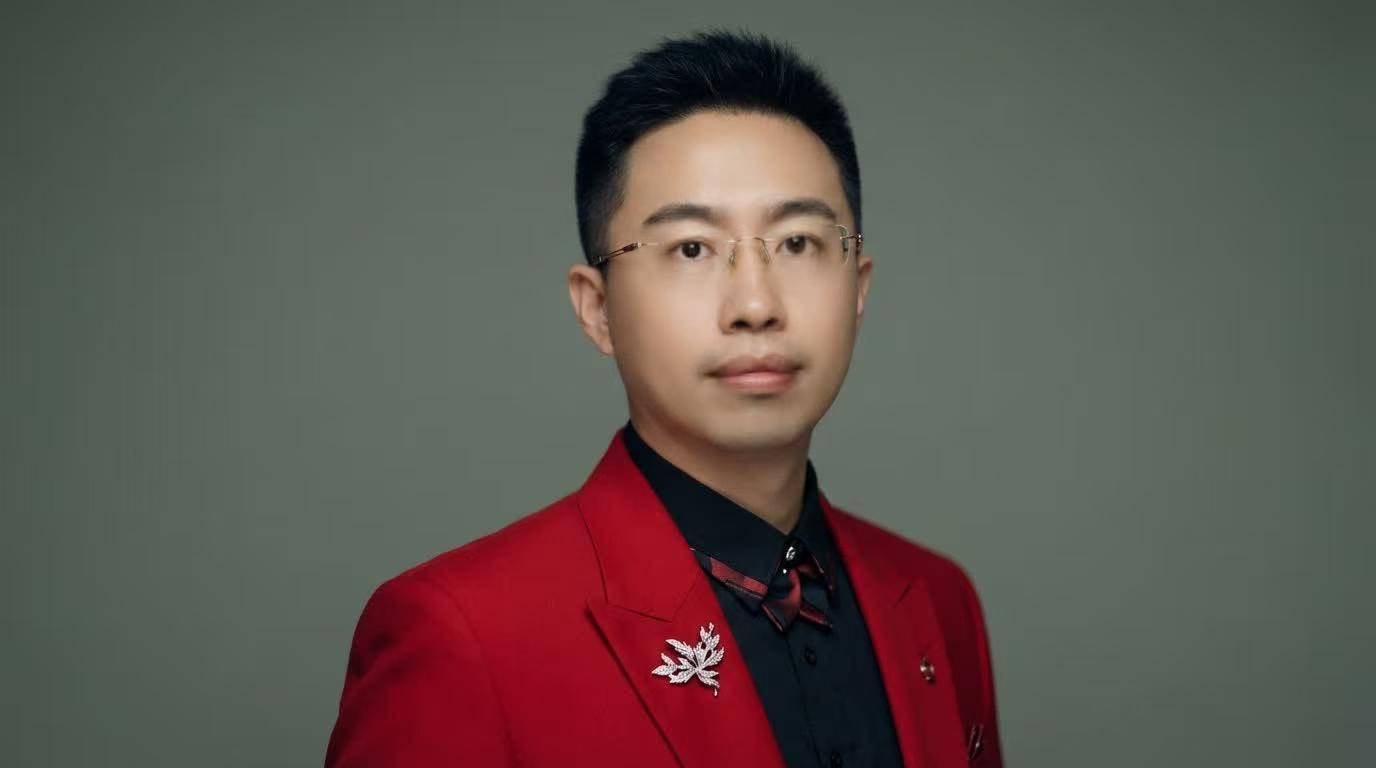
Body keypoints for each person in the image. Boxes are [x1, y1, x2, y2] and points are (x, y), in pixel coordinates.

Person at [325, 29, 1002, 767]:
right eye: (691, 249)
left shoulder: (937, 598)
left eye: (798, 243)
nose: (755, 305)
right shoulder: (462, 633)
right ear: (597, 308)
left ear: (859, 289)